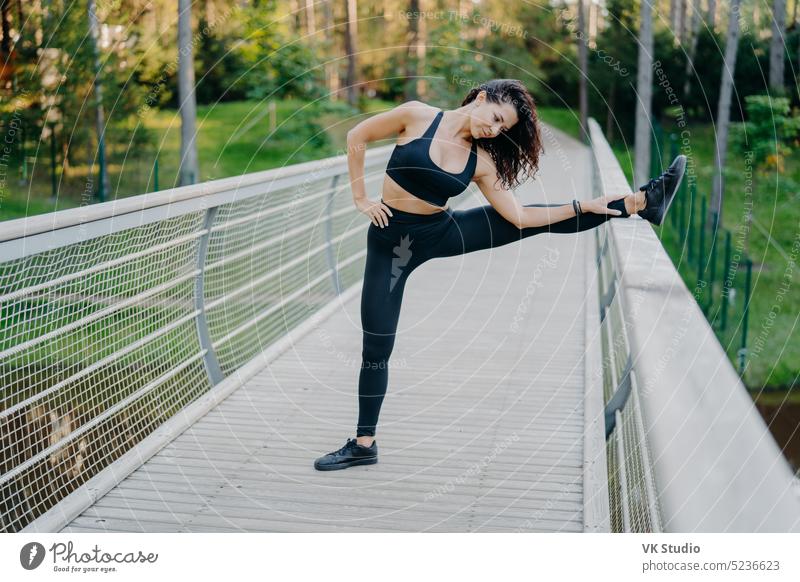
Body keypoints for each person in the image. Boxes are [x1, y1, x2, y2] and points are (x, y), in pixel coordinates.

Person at [314, 78, 686, 471]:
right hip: (389, 244)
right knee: (377, 345)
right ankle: (364, 444)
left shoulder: (482, 162)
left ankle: (638, 203)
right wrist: (361, 198)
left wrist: (585, 205)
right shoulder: (416, 115)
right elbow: (358, 135)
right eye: (494, 118)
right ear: (479, 98)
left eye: (501, 128)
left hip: (439, 233)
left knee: (532, 222)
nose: (492, 130)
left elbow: (520, 216)